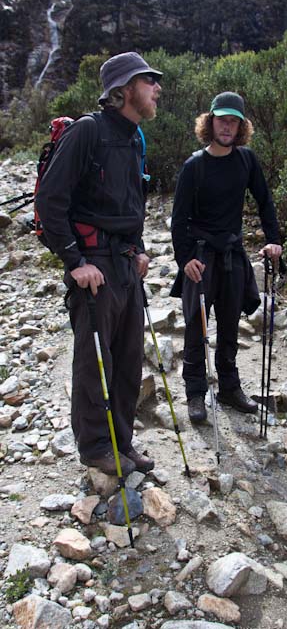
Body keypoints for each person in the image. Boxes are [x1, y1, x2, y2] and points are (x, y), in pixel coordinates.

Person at [36, 52, 162, 476]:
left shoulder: (134, 138)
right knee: (95, 361)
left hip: (125, 265)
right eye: (149, 81)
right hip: (93, 266)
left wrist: (140, 248)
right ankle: (94, 446)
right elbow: (50, 201)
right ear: (123, 91)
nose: (157, 88)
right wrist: (74, 261)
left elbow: (131, 205)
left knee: (128, 359)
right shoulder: (88, 132)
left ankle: (122, 442)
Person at [171, 91, 282, 423]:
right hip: (201, 258)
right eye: (222, 119)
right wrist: (185, 259)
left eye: (233, 121)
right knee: (196, 326)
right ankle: (195, 393)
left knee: (231, 324)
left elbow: (265, 202)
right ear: (210, 121)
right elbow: (179, 219)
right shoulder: (194, 166)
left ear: (241, 126)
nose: (227, 126)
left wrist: (274, 240)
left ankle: (230, 389)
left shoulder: (247, 160)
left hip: (233, 255)